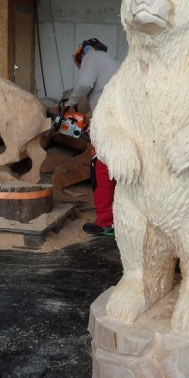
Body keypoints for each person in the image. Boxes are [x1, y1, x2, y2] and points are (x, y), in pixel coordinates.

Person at [65, 38, 121, 236]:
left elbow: (84, 85)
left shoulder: (91, 57)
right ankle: (120, 221)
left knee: (100, 171)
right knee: (117, 172)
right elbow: (96, 95)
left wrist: (69, 105)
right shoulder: (112, 63)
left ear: (84, 52)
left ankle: (105, 222)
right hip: (121, 122)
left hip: (108, 123)